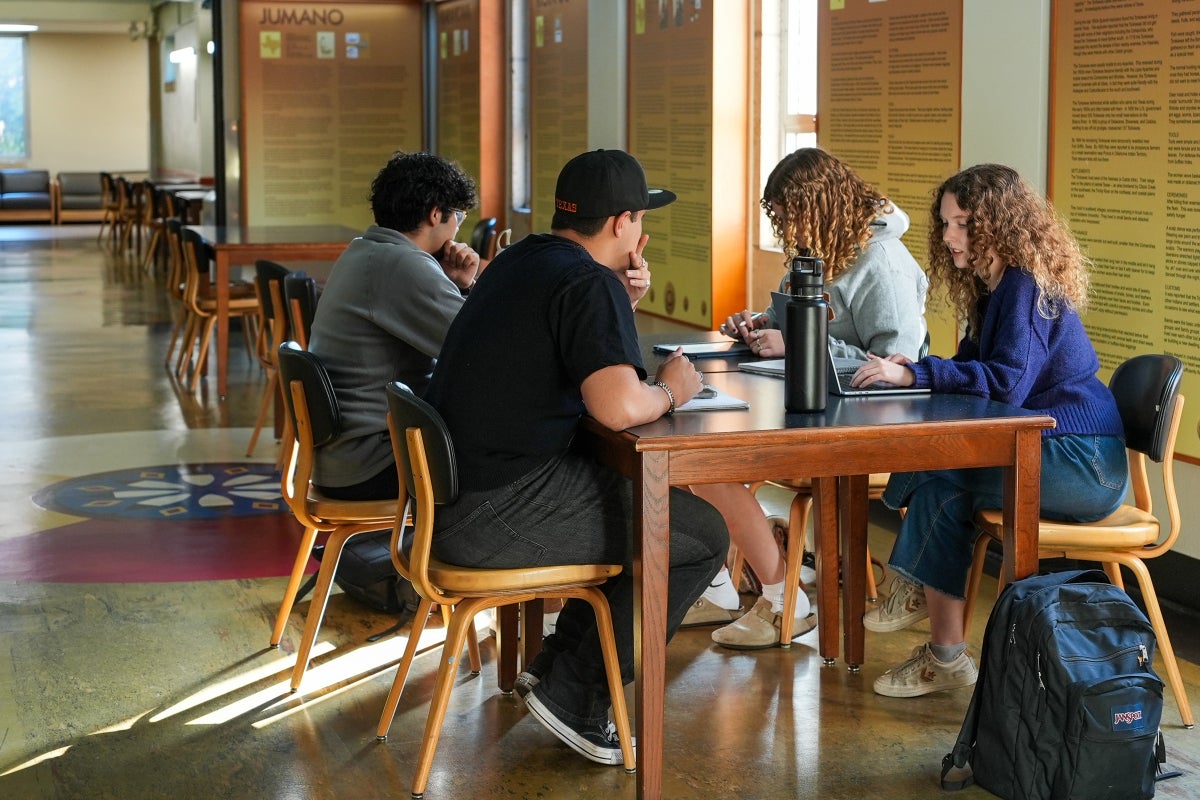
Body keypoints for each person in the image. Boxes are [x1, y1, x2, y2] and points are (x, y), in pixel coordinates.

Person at [423, 149, 729, 765]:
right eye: (641, 221)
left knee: (644, 513)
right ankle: (583, 697)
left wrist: (619, 298)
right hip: (495, 512)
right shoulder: (585, 282)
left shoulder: (525, 258)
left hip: (456, 501)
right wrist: (674, 389)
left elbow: (570, 359)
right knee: (695, 534)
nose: (644, 235)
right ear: (621, 223)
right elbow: (617, 407)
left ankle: (559, 668)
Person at [854, 163, 1129, 698]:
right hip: (1054, 449)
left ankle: (911, 586)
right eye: (946, 224)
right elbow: (976, 367)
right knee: (940, 488)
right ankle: (944, 654)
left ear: (997, 225)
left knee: (937, 471)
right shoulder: (996, 287)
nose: (950, 236)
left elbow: (1005, 385)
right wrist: (914, 371)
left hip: (1085, 462)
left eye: (962, 225)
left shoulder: (1024, 284)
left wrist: (915, 372)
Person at [688, 147, 929, 649]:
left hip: (873, 422)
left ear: (821, 207)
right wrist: (758, 324)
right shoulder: (819, 250)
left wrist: (804, 343)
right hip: (816, 409)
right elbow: (791, 320)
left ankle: (781, 600)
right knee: (700, 457)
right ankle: (726, 584)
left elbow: (897, 366)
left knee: (714, 463)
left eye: (789, 217)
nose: (786, 231)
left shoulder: (884, 264)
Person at [307, 151, 482, 501]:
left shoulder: (366, 250)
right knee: (507, 462)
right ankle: (448, 554)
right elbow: (480, 348)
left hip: (345, 458)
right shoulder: (403, 265)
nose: (457, 229)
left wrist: (458, 285)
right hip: (375, 463)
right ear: (436, 214)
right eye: (458, 217)